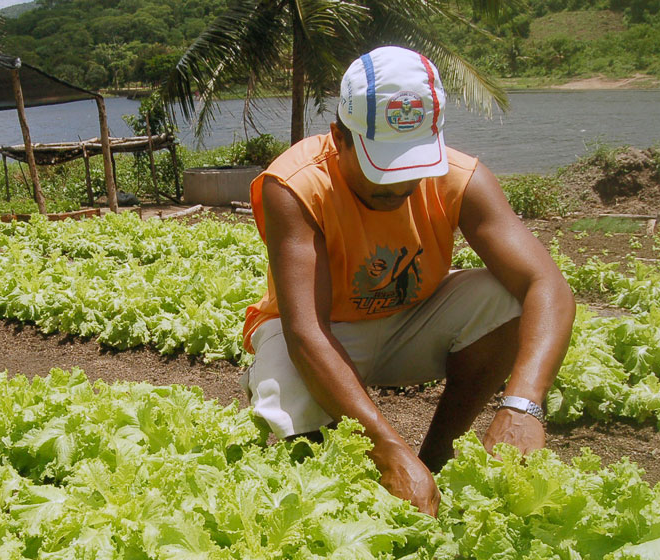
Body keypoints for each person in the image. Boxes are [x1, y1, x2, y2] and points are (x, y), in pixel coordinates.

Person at [239, 46, 575, 516]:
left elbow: (548, 286)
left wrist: (523, 404)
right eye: (382, 168)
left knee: (507, 300)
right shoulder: (295, 185)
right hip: (322, 337)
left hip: (411, 323)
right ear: (340, 137)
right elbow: (307, 332)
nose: (398, 187)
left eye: (412, 168)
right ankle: (332, 493)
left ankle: (435, 461)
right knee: (290, 384)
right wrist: (388, 448)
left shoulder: (461, 179)